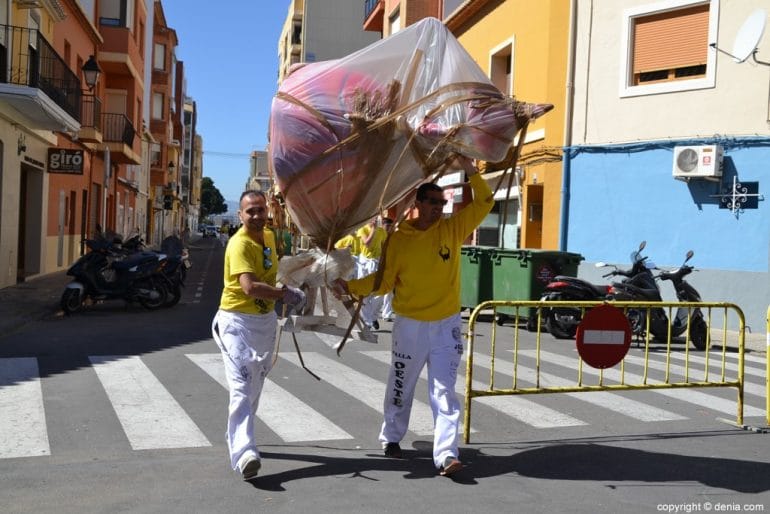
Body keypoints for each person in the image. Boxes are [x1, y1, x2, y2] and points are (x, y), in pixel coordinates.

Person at [334, 156, 493, 477]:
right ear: (417, 203)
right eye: (432, 202)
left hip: (446, 325)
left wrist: (471, 169)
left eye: (442, 202)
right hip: (410, 327)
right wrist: (349, 287)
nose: (439, 208)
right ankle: (392, 436)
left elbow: (486, 202)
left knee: (444, 391)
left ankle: (446, 455)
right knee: (401, 384)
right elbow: (383, 282)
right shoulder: (399, 239)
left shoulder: (452, 229)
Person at [211, 190, 305, 481]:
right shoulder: (239, 244)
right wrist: (284, 294)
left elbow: (273, 272)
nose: (256, 215)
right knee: (241, 385)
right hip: (237, 322)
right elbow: (250, 287)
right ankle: (244, 453)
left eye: (260, 210)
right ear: (240, 215)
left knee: (254, 385)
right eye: (250, 211)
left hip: (264, 322)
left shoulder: (269, 237)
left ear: (268, 212)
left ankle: (239, 436)